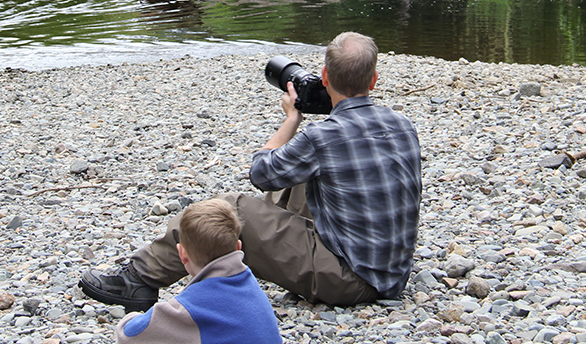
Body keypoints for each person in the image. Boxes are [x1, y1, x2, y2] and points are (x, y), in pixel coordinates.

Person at [79, 31, 422, 309]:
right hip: (392, 275)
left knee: (235, 207)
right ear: (374, 79)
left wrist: (292, 120)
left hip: (349, 281)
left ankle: (139, 278)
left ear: (326, 77)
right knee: (302, 177)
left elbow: (260, 172)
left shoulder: (322, 138)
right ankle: (249, 254)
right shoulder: (403, 124)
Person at [110, 199, 281, 344]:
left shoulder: (190, 307)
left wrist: (131, 316)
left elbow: (129, 334)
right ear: (238, 246)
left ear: (182, 254)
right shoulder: (250, 285)